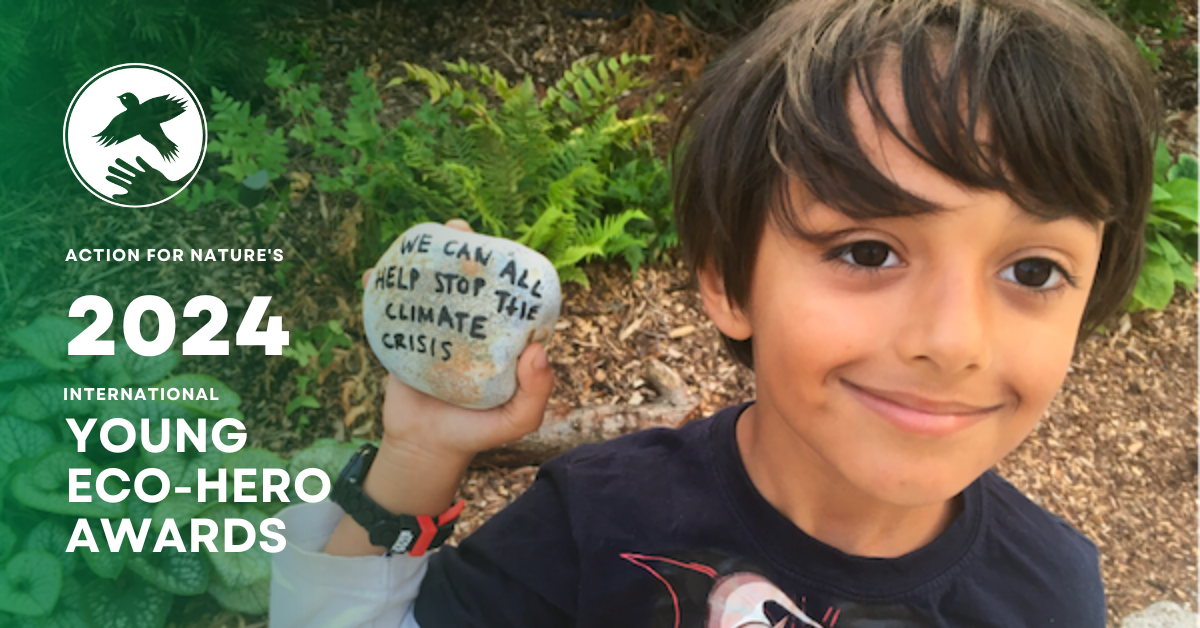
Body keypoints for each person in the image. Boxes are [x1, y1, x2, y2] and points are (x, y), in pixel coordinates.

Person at [270, 0, 1159, 625]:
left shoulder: (1054, 588)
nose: (953, 341)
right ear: (728, 281)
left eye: (1034, 270)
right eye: (866, 252)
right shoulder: (595, 522)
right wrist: (420, 453)